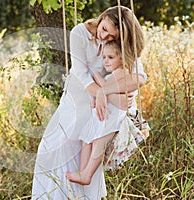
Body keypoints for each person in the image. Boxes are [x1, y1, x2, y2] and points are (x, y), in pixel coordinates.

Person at [32, 5, 147, 199]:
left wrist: (105, 92)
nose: (104, 37)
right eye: (104, 30)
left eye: (111, 36)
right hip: (79, 97)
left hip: (101, 105)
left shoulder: (120, 41)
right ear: (101, 18)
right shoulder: (80, 32)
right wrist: (103, 92)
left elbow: (140, 77)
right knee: (56, 145)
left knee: (88, 147)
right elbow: (81, 74)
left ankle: (83, 194)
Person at [65, 40, 148, 185]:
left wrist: (96, 76)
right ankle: (83, 171)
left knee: (98, 140)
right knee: (87, 137)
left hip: (115, 115)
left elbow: (105, 88)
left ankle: (87, 174)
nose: (106, 61)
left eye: (110, 57)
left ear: (121, 58)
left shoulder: (122, 71)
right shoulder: (114, 73)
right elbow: (104, 93)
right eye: (104, 57)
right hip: (106, 113)